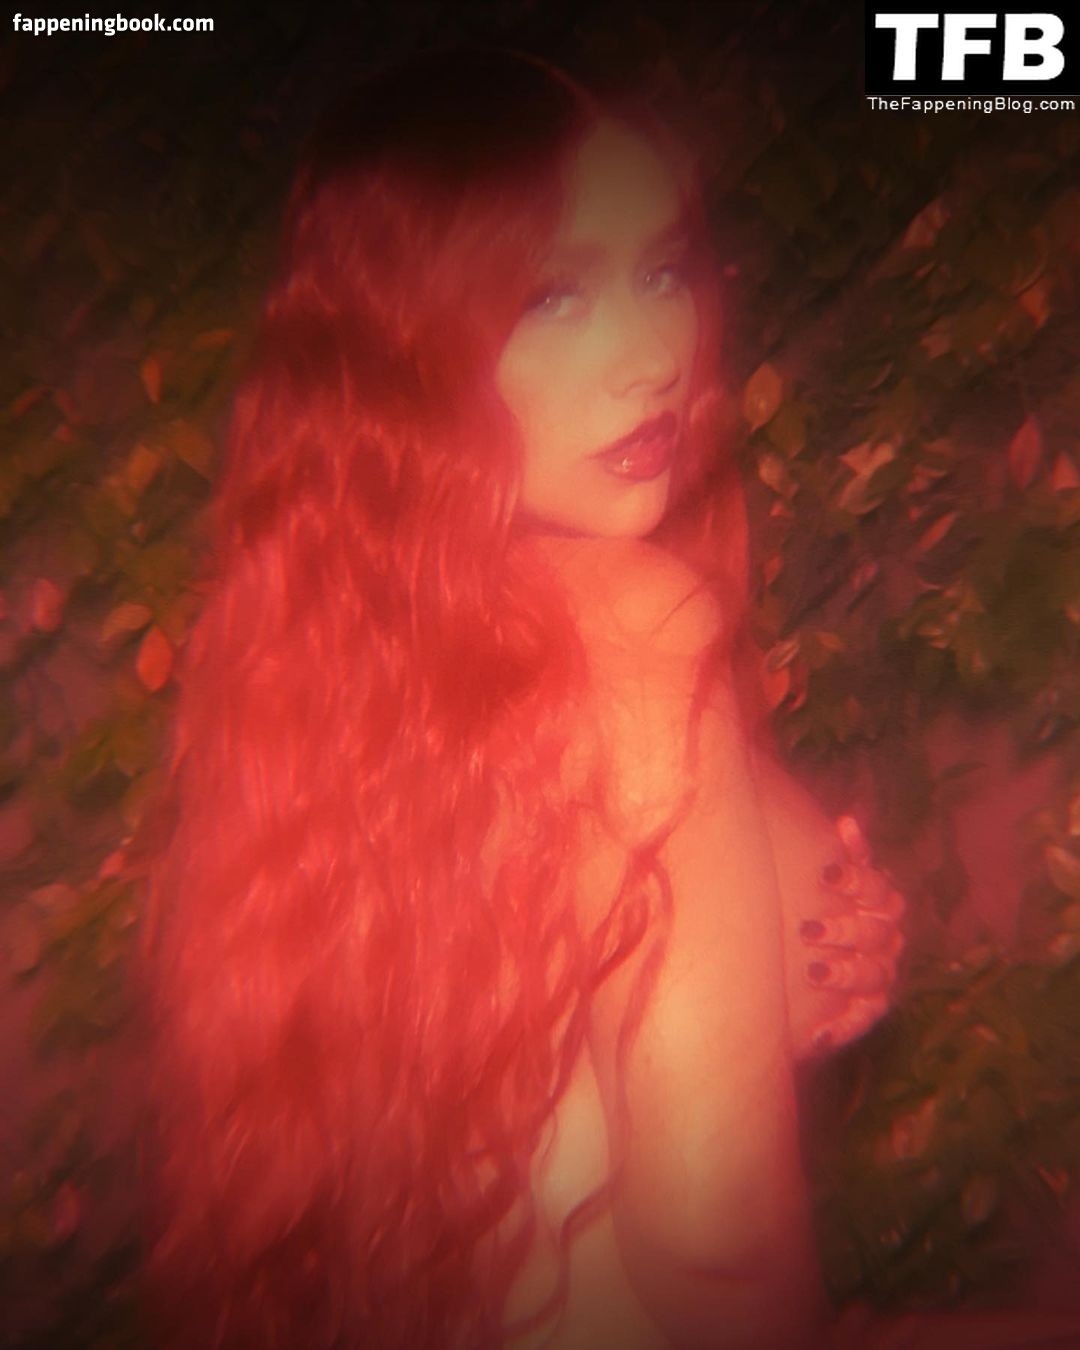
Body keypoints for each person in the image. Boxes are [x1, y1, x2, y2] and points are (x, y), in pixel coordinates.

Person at [132, 46, 908, 1350]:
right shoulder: (629, 624)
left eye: (661, 273)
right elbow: (717, 1244)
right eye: (554, 295)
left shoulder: (339, 668)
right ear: (409, 353)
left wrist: (814, 934)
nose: (650, 356)